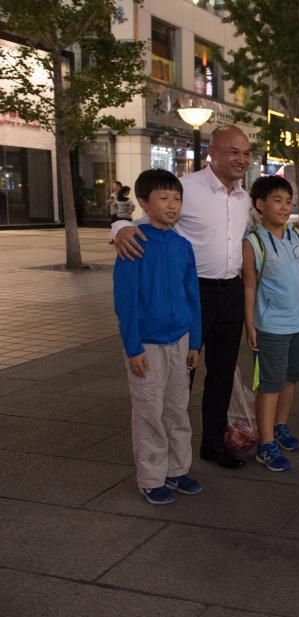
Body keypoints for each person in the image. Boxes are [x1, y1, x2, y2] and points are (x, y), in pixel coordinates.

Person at [113, 125, 254, 470]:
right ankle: (167, 456)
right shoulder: (186, 188)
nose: (241, 159)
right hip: (191, 294)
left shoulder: (244, 198)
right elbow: (140, 223)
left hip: (230, 292)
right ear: (212, 152)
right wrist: (118, 229)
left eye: (247, 153)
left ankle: (213, 444)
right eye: (233, 151)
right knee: (181, 375)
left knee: (222, 371)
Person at [113, 169, 202, 505]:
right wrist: (132, 347)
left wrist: (195, 341)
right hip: (146, 343)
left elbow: (192, 294)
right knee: (149, 408)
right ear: (143, 203)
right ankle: (151, 476)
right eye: (163, 198)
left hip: (179, 339)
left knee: (178, 407)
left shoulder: (182, 246)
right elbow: (125, 299)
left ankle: (178, 469)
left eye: (177, 198)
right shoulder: (134, 242)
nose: (172, 205)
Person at [242, 176, 299, 472]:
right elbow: (248, 287)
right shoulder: (254, 242)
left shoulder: (297, 236)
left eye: (289, 202)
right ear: (260, 205)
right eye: (278, 200)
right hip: (271, 326)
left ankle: (281, 427)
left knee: (291, 378)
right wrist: (250, 325)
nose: (286, 207)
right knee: (270, 384)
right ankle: (266, 443)